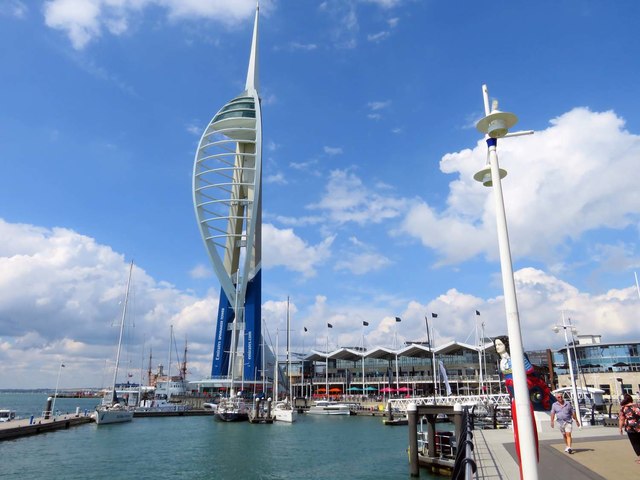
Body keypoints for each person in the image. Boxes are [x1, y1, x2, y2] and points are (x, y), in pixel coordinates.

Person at [494, 336, 554, 411]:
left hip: (521, 384)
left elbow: (529, 370)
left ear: (506, 345)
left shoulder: (517, 356)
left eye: (499, 344)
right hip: (511, 386)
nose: (497, 347)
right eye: (496, 345)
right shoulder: (502, 361)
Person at [618, 393, 640, 464]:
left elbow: (621, 419)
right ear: (631, 399)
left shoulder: (623, 408)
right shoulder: (638, 406)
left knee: (635, 443)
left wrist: (620, 428)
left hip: (630, 428)